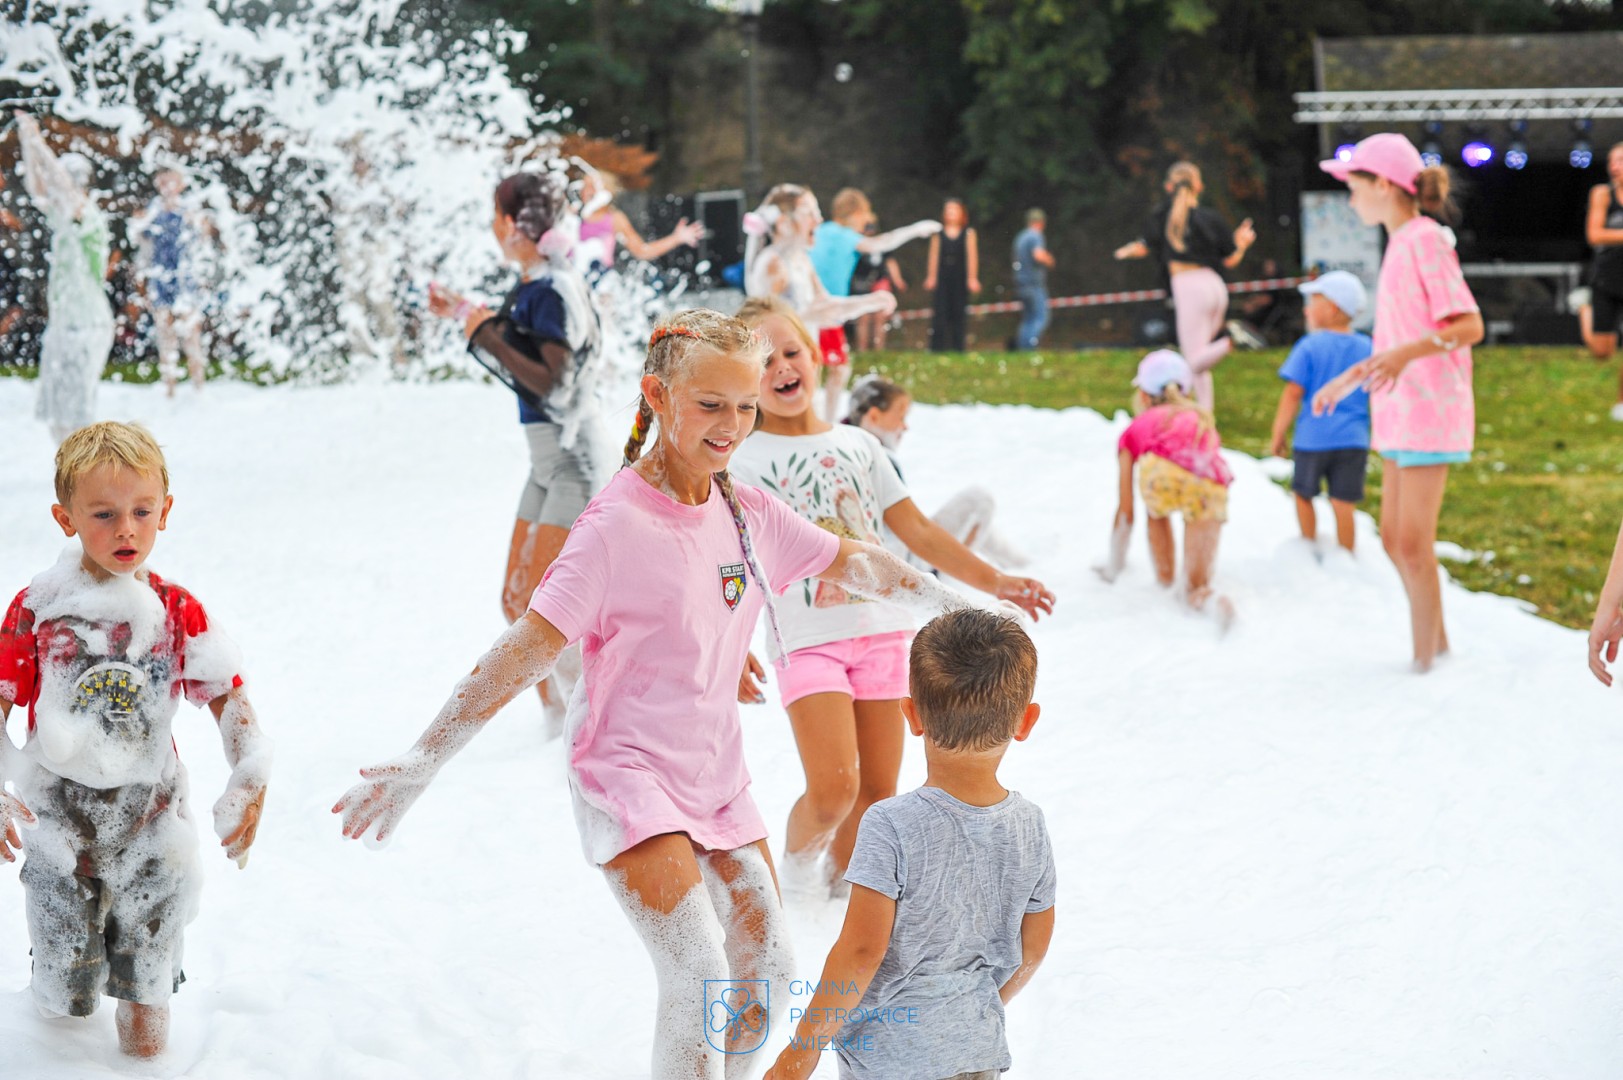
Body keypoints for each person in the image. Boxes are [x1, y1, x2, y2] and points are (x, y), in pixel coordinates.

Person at [730, 297, 1054, 900]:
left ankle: (834, 902)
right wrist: (730, 645)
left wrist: (997, 581)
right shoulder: (741, 460)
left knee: (877, 794)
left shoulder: (861, 444)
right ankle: (794, 888)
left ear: (816, 357)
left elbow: (920, 531)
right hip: (805, 640)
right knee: (833, 790)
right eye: (762, 361)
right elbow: (735, 563)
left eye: (791, 352)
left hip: (883, 633)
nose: (780, 368)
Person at [0, 421, 271, 1058]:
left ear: (165, 512)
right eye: (104, 513)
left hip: (152, 821)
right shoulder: (38, 609)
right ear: (65, 518)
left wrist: (250, 774)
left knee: (149, 991)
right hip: (59, 818)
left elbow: (229, 698)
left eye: (142, 511)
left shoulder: (175, 612)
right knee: (60, 995)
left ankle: (144, 1069)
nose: (126, 528)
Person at [761, 608, 1055, 1080]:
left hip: (890, 1057)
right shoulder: (1030, 825)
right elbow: (1034, 948)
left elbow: (861, 952)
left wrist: (803, 1048)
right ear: (1025, 722)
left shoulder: (890, 824)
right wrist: (974, 1007)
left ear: (911, 714)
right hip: (978, 1052)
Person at [426, 169, 609, 725]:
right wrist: (467, 314)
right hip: (548, 460)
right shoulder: (539, 282)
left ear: (511, 223)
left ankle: (591, 725)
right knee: (518, 601)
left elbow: (549, 380)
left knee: (548, 610)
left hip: (574, 460)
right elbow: (522, 340)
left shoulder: (552, 288)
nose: (490, 227)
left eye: (493, 216)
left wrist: (479, 332)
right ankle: (557, 729)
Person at [1313, 132, 1484, 674]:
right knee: (1393, 539)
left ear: (1383, 185)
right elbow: (1392, 345)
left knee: (1412, 544)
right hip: (1399, 414)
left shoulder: (1426, 239)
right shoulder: (1401, 244)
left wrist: (1405, 356)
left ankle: (1426, 664)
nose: (1349, 198)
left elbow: (1469, 325)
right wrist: (1345, 382)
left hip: (1430, 412)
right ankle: (1437, 649)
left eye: (1353, 185)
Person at [1096, 349, 1234, 621]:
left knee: (1156, 510)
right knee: (1196, 587)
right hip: (1209, 481)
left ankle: (1165, 579)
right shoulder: (1201, 418)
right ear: (1187, 392)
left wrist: (1114, 567)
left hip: (1160, 475)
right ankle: (1210, 601)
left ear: (1144, 396)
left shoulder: (1136, 427)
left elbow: (1126, 509)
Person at [746, 184, 903, 421]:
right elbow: (766, 327)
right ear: (783, 223)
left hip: (799, 375)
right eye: (809, 213)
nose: (819, 220)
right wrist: (866, 303)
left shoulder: (800, 259)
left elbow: (826, 304)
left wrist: (870, 301)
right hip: (777, 386)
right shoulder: (773, 265)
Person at [846, 372, 1029, 568]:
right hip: (903, 569)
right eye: (900, 417)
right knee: (979, 500)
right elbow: (906, 531)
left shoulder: (849, 448)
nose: (905, 427)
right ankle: (954, 575)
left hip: (896, 561)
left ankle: (1022, 566)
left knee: (973, 518)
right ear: (874, 416)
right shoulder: (877, 458)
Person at [1113, 162, 1257, 410]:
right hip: (1215, 286)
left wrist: (1125, 252)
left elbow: (1143, 246)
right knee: (1201, 361)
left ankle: (1231, 339)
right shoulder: (1210, 218)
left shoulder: (1162, 216)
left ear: (1169, 186)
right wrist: (1242, 243)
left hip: (1190, 289)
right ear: (1199, 186)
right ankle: (1206, 419)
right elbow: (1231, 259)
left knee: (1191, 362)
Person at [14, 112, 115, 443]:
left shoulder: (87, 217)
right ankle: (66, 470)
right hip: (63, 324)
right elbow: (37, 186)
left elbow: (59, 184)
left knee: (78, 407)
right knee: (55, 405)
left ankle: (83, 472)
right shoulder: (62, 214)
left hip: (87, 326)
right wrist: (28, 141)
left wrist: (39, 142)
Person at [1268, 270, 1373, 553]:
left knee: (1303, 494)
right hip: (1354, 440)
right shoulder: (1368, 347)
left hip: (1312, 440)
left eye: (1313, 301)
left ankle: (1308, 547)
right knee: (1343, 502)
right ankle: (1348, 554)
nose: (1307, 309)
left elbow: (1293, 393)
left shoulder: (1309, 346)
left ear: (1333, 308)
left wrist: (1278, 433)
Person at [135, 167, 215, 397]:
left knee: (191, 334)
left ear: (181, 184)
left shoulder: (190, 208)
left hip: (185, 278)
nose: (166, 186)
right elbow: (142, 245)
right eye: (162, 182)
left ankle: (199, 386)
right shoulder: (153, 211)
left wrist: (201, 223)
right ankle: (169, 389)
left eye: (171, 181)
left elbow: (205, 239)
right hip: (161, 278)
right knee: (165, 334)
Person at [574, 169, 705, 277]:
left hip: (598, 278)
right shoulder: (571, 216)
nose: (587, 191)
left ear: (606, 191)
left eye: (592, 187)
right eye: (584, 186)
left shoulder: (614, 219)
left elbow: (642, 251)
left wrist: (676, 238)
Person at [1578, 142, 1623, 418]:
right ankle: (1584, 310)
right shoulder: (1603, 194)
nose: (1614, 164)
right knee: (1603, 352)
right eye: (1612, 160)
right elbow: (1595, 235)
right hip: (1607, 279)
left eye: (1620, 159)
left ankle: (1621, 402)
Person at [924, 197, 980, 352]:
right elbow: (933, 256)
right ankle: (937, 348)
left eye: (954, 210)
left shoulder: (968, 233)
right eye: (948, 210)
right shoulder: (938, 233)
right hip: (943, 277)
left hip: (960, 277)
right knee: (940, 312)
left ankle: (958, 348)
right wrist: (931, 277)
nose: (951, 213)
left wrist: (972, 278)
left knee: (959, 312)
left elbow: (972, 257)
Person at [848, 220, 907, 353]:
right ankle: (862, 349)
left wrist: (898, 280)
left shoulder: (882, 244)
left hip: (880, 281)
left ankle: (879, 349)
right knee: (863, 318)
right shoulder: (857, 244)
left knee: (880, 317)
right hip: (861, 284)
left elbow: (890, 262)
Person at [1011, 208, 1054, 350]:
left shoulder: (1020, 237)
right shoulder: (1036, 235)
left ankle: (1022, 349)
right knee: (1041, 317)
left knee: (1028, 318)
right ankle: (1030, 347)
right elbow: (1038, 255)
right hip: (1033, 283)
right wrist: (1049, 260)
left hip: (1021, 282)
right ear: (1041, 223)